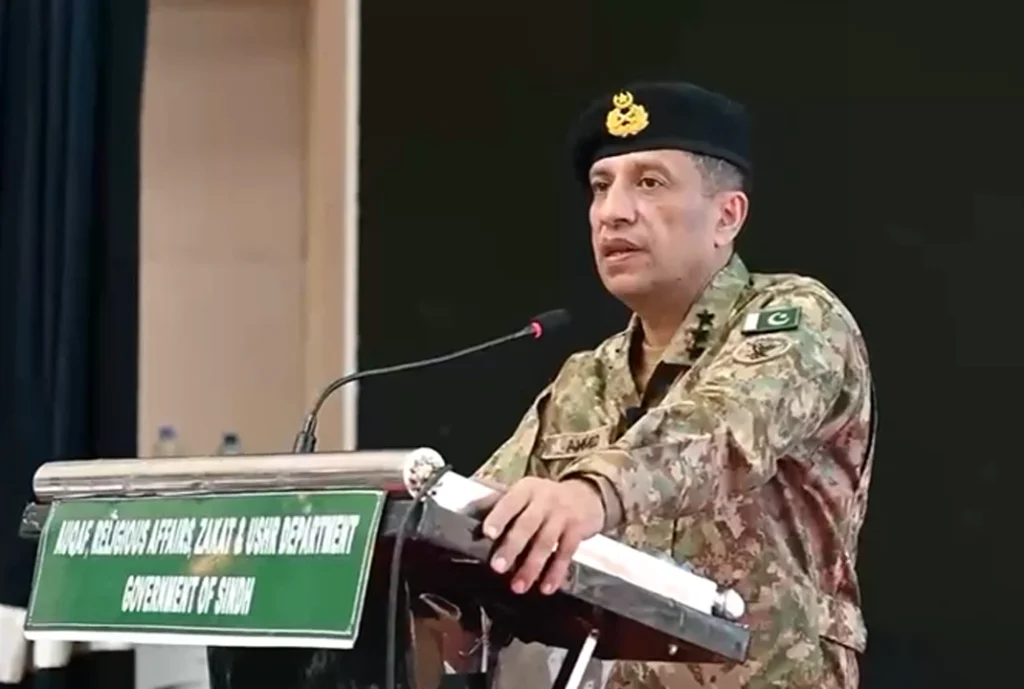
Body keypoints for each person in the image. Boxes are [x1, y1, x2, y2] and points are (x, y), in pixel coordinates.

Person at [471, 82, 875, 689]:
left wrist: (589, 493)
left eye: (650, 183)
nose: (613, 211)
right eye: (601, 186)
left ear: (727, 216)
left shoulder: (797, 320)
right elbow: (477, 512)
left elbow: (722, 429)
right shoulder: (587, 378)